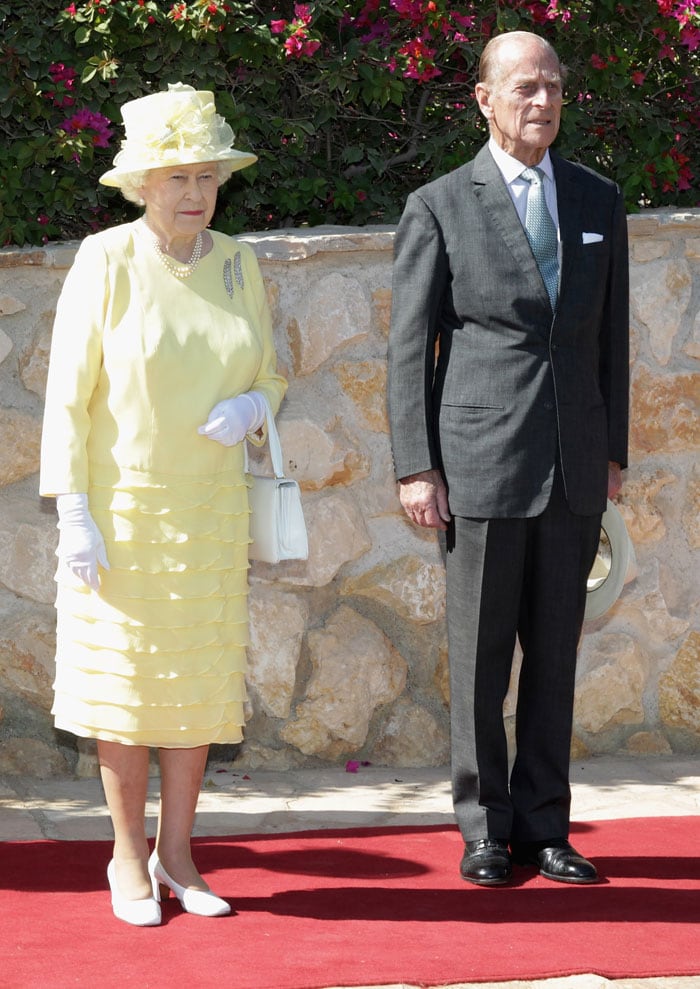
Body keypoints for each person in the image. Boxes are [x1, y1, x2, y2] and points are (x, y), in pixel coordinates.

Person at [40, 82, 287, 925]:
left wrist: (256, 406)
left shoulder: (238, 262)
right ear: (143, 183)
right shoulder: (105, 259)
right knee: (128, 689)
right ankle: (124, 855)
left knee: (197, 686)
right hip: (123, 511)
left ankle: (177, 853)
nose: (194, 192)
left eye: (207, 176)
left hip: (209, 511)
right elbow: (66, 399)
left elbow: (269, 372)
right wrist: (73, 510)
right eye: (176, 176)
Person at [387, 31, 628, 886]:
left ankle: (544, 827)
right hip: (480, 461)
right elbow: (411, 348)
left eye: (555, 87)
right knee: (482, 655)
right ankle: (484, 827)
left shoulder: (598, 200)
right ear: (484, 99)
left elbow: (609, 342)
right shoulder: (442, 205)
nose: (544, 101)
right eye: (525, 87)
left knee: (554, 655)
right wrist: (417, 465)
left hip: (573, 462)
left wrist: (613, 452)